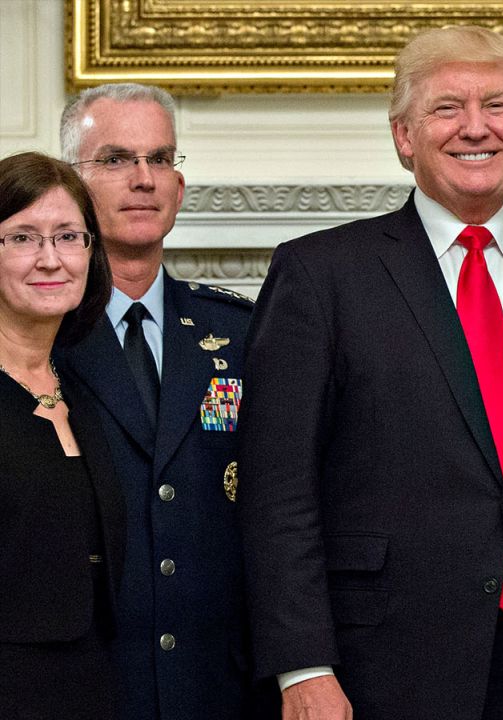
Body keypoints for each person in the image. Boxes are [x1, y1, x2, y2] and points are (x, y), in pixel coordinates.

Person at [235, 25, 503, 720]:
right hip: (377, 663)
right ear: (403, 136)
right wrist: (303, 665)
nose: (477, 128)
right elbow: (276, 488)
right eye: (447, 108)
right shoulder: (321, 276)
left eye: (498, 106)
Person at [55, 83, 261, 720]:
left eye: (160, 159)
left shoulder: (241, 332)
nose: (143, 179)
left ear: (178, 185)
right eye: (116, 159)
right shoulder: (40, 339)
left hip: (219, 685)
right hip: (88, 682)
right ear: (70, 182)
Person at [0, 151, 122, 719]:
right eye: (22, 237)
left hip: (94, 686)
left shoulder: (81, 385)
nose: (50, 259)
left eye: (68, 236)